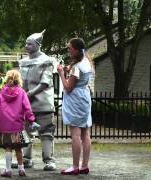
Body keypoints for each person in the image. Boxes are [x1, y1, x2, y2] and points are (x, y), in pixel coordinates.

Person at [17, 29, 56, 171]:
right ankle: (26, 159)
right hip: (25, 104)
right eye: (26, 44)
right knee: (25, 132)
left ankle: (49, 160)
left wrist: (29, 94)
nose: (26, 46)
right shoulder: (23, 62)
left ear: (38, 44)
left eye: (30, 44)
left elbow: (45, 82)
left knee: (46, 132)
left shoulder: (46, 60)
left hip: (43, 103)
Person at [57, 38, 93, 175]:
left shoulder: (77, 67)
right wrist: (69, 70)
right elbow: (78, 77)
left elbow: (68, 87)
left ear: (76, 50)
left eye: (69, 48)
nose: (68, 50)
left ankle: (74, 166)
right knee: (85, 132)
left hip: (75, 100)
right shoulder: (86, 62)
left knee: (76, 134)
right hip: (84, 97)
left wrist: (61, 73)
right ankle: (84, 165)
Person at [0, 69, 40, 178]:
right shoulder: (21, 92)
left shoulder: (2, 92)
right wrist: (31, 120)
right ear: (18, 79)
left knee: (8, 147)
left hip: (6, 126)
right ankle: (21, 169)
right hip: (17, 125)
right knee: (18, 148)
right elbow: (27, 108)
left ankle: (8, 170)